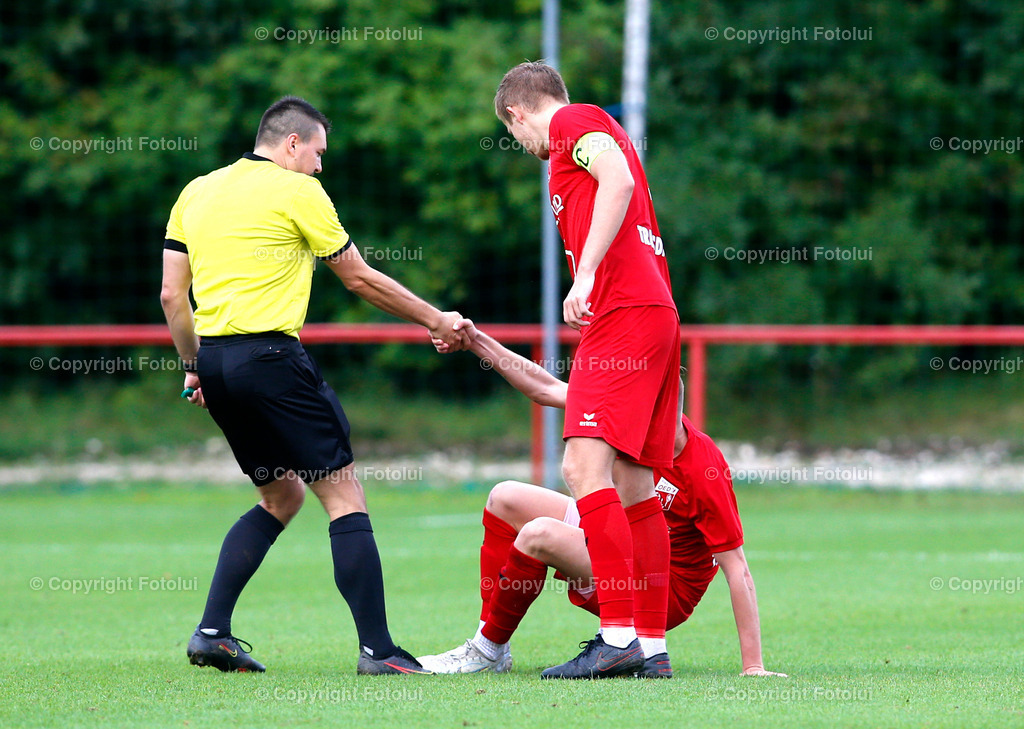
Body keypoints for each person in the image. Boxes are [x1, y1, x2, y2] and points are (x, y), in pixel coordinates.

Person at [160, 96, 469, 675]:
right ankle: (379, 652)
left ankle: (211, 633)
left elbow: (173, 296)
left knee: (280, 495)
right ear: (292, 143)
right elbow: (358, 277)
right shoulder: (299, 191)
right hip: (272, 358)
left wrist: (193, 364)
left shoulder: (195, 191)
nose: (321, 167)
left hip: (219, 361)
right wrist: (436, 318)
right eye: (318, 153)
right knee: (343, 494)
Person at [419, 324, 786, 679]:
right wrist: (478, 342)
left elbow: (736, 566)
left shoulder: (703, 467)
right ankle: (493, 649)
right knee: (506, 497)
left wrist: (752, 665)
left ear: (665, 403)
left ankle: (486, 650)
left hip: (661, 590)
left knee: (538, 535)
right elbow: (544, 387)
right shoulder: (626, 408)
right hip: (620, 541)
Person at [492, 61, 680, 678]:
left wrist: (589, 273)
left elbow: (619, 180)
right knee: (633, 483)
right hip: (653, 314)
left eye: (513, 134)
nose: (523, 147)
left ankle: (618, 632)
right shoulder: (572, 143)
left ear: (517, 114)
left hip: (624, 312)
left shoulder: (574, 122)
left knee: (581, 465)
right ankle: (649, 647)